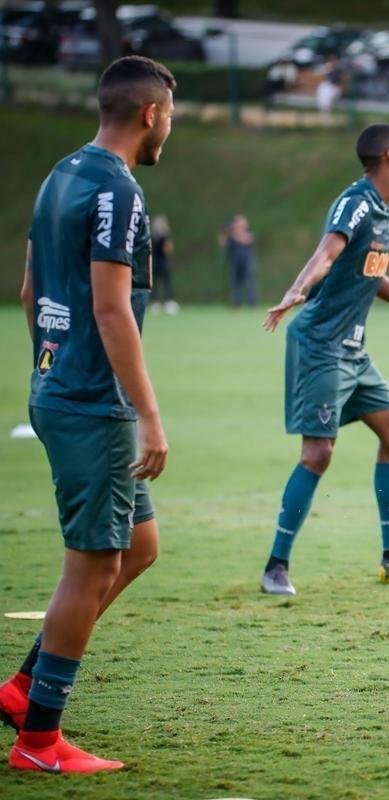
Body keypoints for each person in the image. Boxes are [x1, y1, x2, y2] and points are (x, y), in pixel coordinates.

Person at [0, 56, 173, 772]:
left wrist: (51, 368)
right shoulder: (119, 191)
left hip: (56, 386)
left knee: (138, 546)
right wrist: (148, 414)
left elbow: (28, 289)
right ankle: (39, 742)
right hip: (92, 403)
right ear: (151, 115)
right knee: (93, 562)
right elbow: (109, 308)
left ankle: (21, 688)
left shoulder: (62, 173)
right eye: (172, 115)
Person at [260, 123, 389, 596]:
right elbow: (328, 251)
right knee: (317, 453)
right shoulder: (358, 201)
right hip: (320, 344)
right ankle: (275, 566)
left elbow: (373, 276)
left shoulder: (384, 210)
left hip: (353, 351)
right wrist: (297, 290)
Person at [220, 214, 257, 308]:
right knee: (236, 284)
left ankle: (252, 304)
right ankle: (237, 304)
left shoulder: (248, 233)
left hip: (247, 262)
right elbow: (223, 244)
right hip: (235, 262)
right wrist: (224, 233)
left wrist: (234, 233)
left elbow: (246, 240)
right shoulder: (230, 236)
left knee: (250, 283)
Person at [151, 213, 179, 314]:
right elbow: (168, 250)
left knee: (155, 284)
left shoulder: (152, 236)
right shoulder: (165, 236)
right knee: (167, 283)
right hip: (163, 263)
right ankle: (169, 303)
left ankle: (155, 304)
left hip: (154, 262)